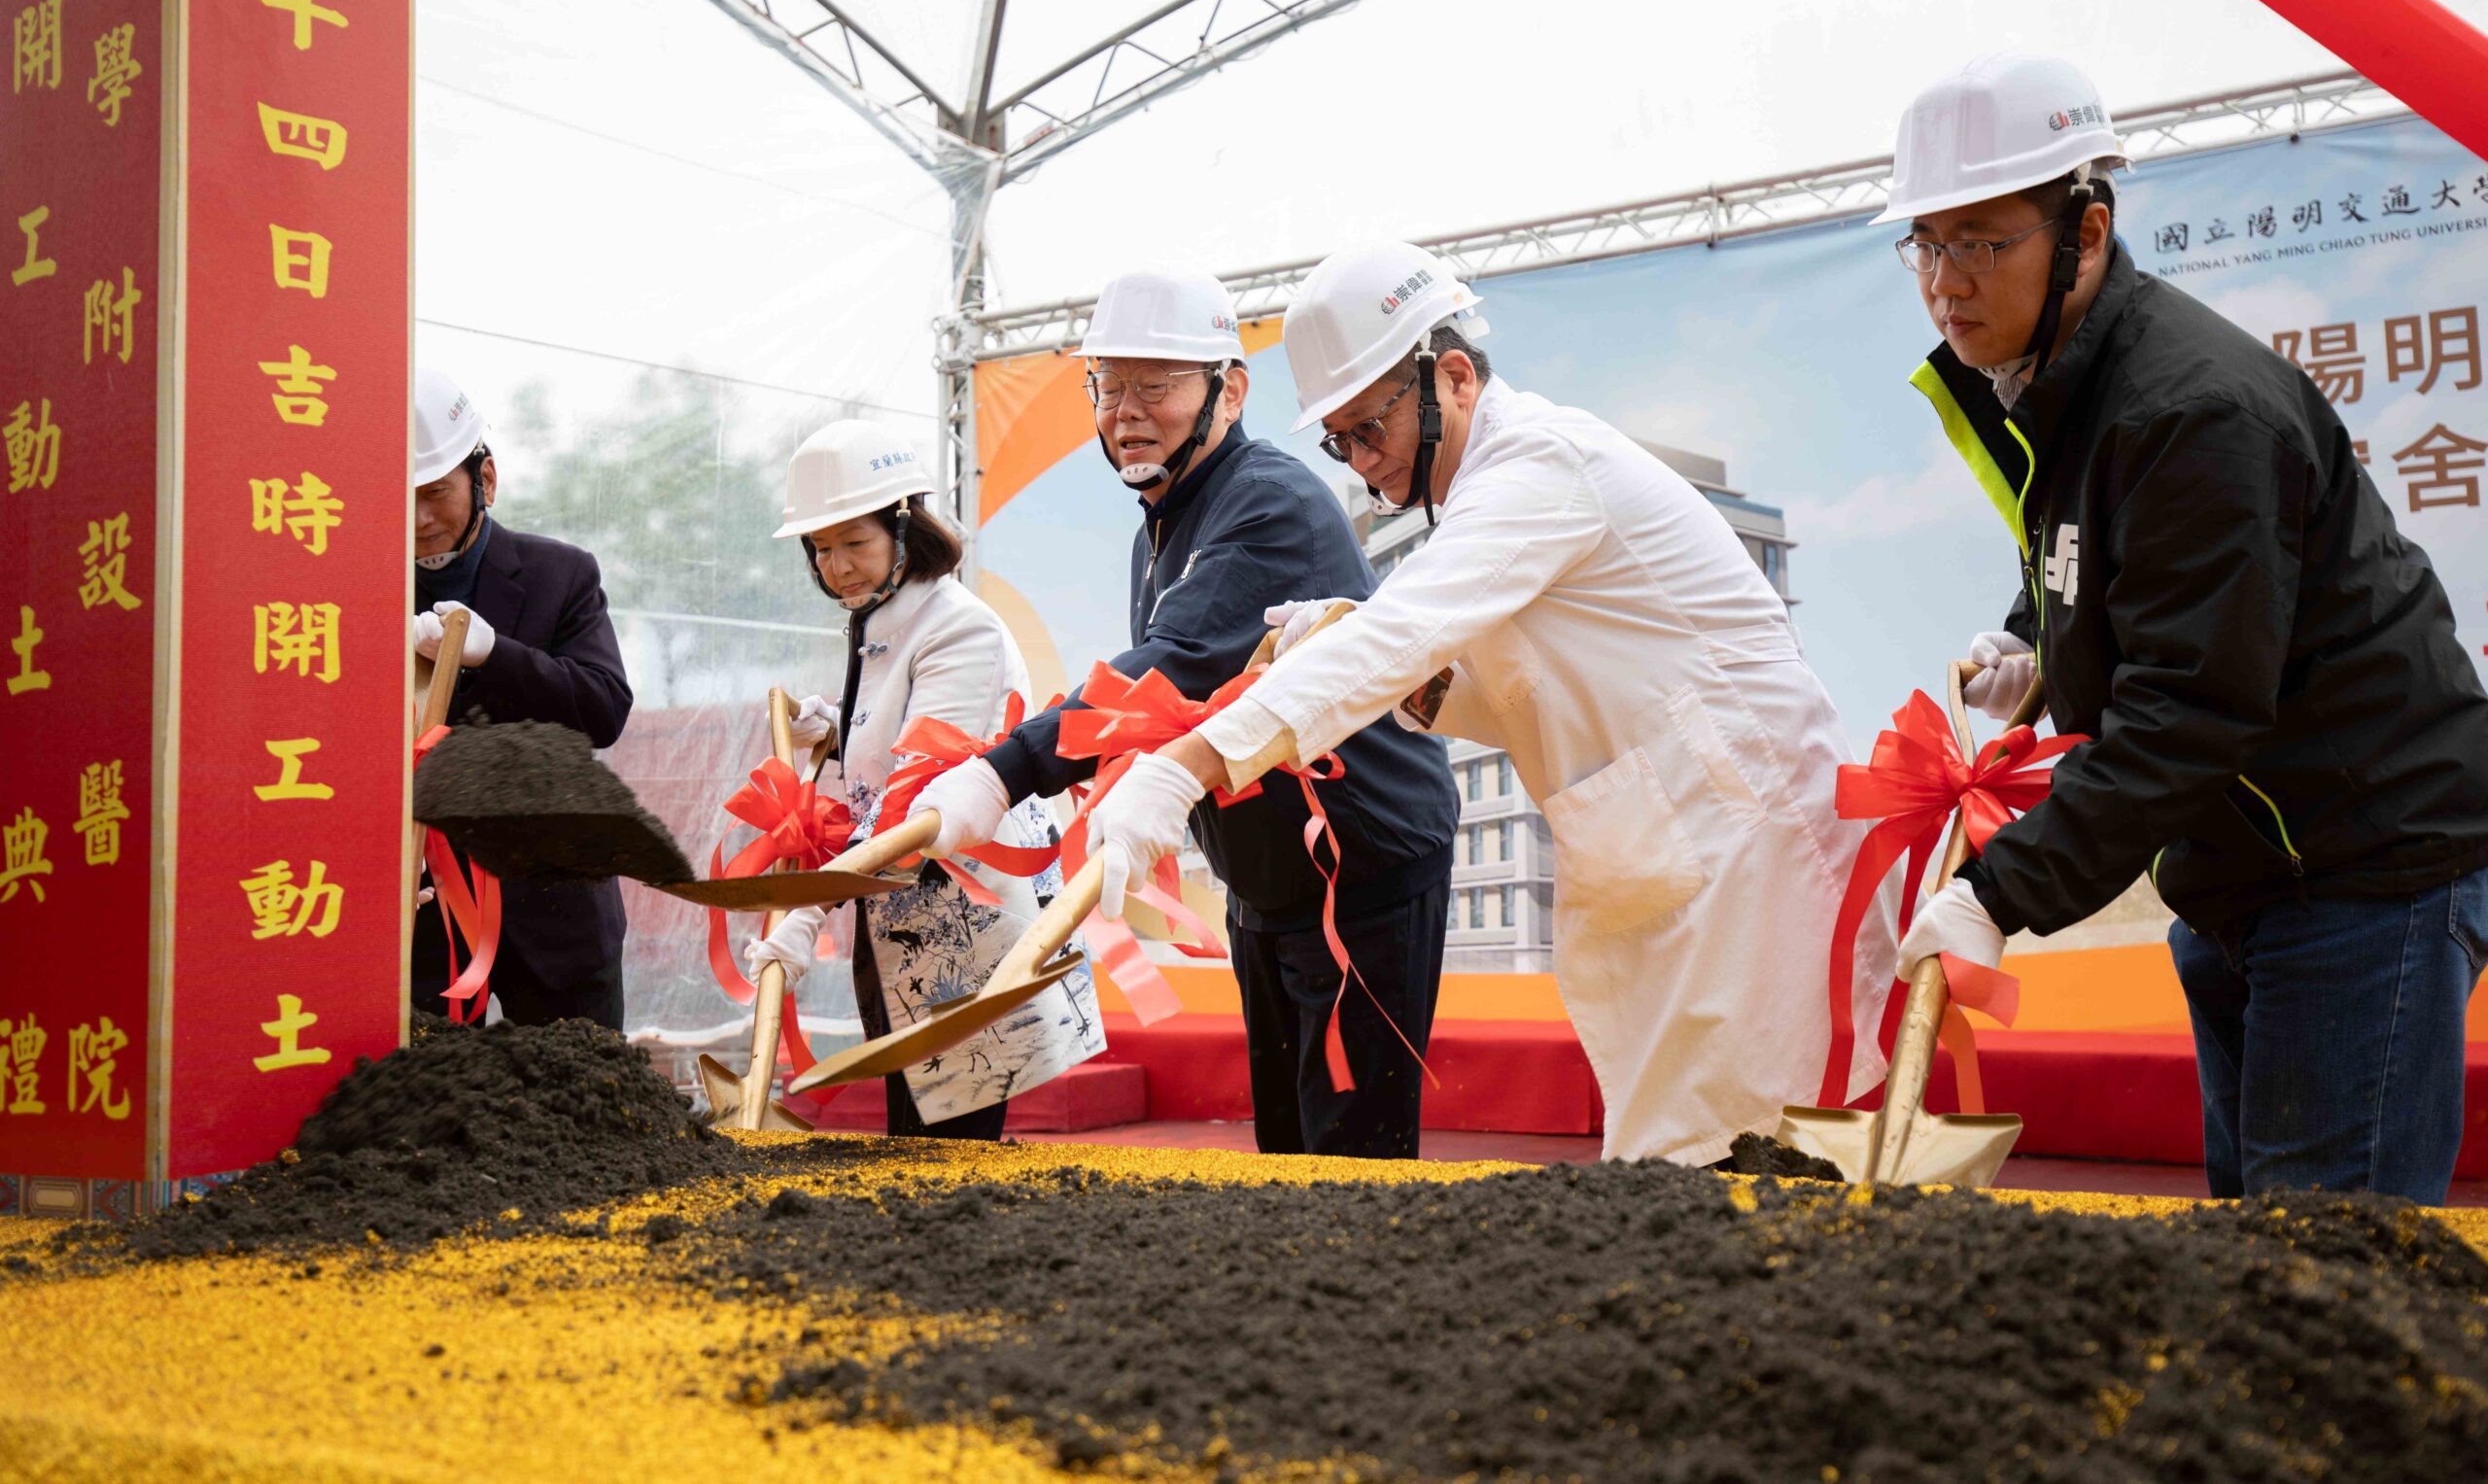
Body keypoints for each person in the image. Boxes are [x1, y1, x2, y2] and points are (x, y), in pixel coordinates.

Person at [1067, 241, 1893, 1166]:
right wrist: (1366, 649)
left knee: (1757, 1165)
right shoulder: (1485, 499)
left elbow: (1401, 635)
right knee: (1689, 1166)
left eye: (1369, 432)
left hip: (1754, 861)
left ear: (1451, 378)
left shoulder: (1540, 466)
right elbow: (1496, 690)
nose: (1363, 465)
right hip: (1676, 860)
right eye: (1339, 440)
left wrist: (1179, 773)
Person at [1871, 52, 2488, 1204]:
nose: (1945, 281)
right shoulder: (2060, 382)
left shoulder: (2189, 408)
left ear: (2085, 233)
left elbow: (2191, 710)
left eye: (1981, 241)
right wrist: (2038, 651)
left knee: (2323, 1262)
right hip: (2245, 867)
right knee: (2253, 1245)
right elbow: (2103, 573)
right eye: (1925, 243)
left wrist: (2002, 891)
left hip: (2361, 866)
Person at [908, 268, 1462, 1159]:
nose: (1126, 410)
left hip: (1362, 873)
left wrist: (1002, 771)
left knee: (1353, 1164)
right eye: (1108, 385)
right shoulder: (1157, 529)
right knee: (1285, 1151)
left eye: (1155, 385)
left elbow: (1161, 672)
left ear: (1230, 391)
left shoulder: (1270, 503)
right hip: (1265, 882)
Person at [743, 418, 1104, 1139]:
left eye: (855, 542)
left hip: (959, 922)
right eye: (821, 548)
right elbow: (890, 751)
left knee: (950, 1151)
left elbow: (918, 795)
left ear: (905, 525)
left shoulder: (956, 627)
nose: (837, 566)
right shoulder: (878, 616)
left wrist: (808, 910)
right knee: (914, 1139)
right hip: (899, 918)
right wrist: (841, 740)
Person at [409, 368, 636, 1026]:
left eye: (435, 493)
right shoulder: (362, 586)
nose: (420, 519)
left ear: (486, 480)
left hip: (559, 910)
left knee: (577, 1099)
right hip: (428, 915)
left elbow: (602, 708)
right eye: (401, 498)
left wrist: (494, 653)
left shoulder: (558, 574)